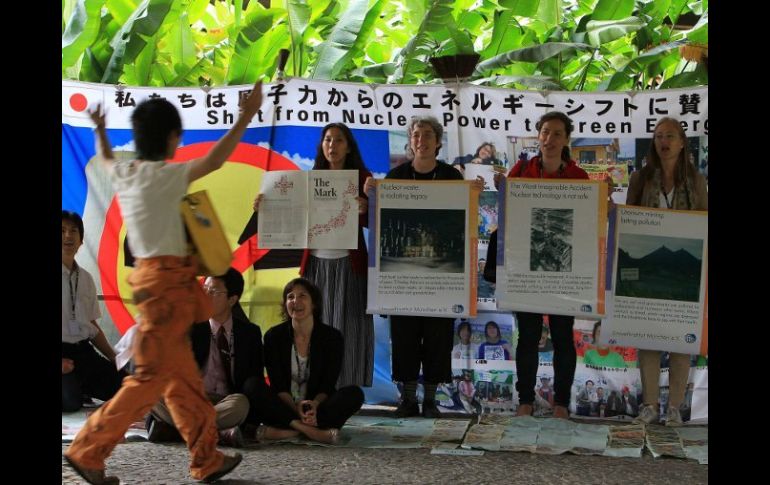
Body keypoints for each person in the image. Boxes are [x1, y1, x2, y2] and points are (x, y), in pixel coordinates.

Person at [64, 80, 264, 485]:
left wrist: (101, 128)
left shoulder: (127, 172)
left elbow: (104, 157)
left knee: (182, 382)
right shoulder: (169, 176)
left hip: (155, 287)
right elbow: (216, 159)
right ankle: (87, 450)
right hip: (170, 288)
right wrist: (246, 115)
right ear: (173, 137)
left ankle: (206, 458)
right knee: (148, 381)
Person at [254, 122, 373, 388]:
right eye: (328, 140)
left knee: (349, 326)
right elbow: (291, 216)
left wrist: (367, 208)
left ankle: (346, 387)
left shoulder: (362, 178)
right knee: (314, 324)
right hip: (316, 265)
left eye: (339, 140)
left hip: (349, 265)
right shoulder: (309, 179)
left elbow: (376, 222)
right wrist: (266, 207)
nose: (333, 145)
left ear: (349, 146)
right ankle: (315, 387)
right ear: (322, 145)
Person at [363, 116, 465, 419]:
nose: (421, 140)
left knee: (437, 338)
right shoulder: (395, 178)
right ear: (410, 141)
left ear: (438, 142)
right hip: (403, 274)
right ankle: (407, 400)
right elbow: (382, 224)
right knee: (405, 338)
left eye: (428, 135)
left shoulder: (451, 178)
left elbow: (460, 223)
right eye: (416, 135)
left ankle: (431, 400)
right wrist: (372, 196)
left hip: (442, 274)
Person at [495, 111, 590, 420]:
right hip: (527, 267)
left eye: (557, 134)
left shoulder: (579, 178)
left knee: (563, 336)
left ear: (566, 140)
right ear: (538, 135)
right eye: (545, 132)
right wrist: (502, 190)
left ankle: (561, 403)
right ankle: (525, 400)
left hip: (565, 269)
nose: (549, 139)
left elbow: (586, 225)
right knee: (528, 335)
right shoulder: (521, 170)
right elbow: (508, 219)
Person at [627, 116, 707, 427]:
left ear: (683, 142)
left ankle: (674, 407)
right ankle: (649, 406)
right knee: (647, 338)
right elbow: (628, 220)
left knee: (680, 340)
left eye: (671, 135)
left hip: (684, 268)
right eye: (659, 135)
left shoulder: (696, 180)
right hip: (647, 268)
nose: (664, 141)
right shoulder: (641, 178)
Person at [145, 268, 265, 449]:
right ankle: (217, 433)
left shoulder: (249, 333)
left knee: (241, 404)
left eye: (213, 292)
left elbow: (254, 377)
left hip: (224, 402)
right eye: (204, 289)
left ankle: (178, 430)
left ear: (232, 299)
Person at [247, 278, 364, 444]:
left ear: (314, 303)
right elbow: (278, 385)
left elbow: (327, 383)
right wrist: (296, 410)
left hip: (316, 407)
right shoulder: (273, 337)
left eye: (302, 296)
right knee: (252, 385)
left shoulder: (332, 337)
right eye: (290, 297)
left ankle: (286, 432)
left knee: (355, 394)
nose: (296, 301)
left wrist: (314, 405)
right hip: (284, 406)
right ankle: (308, 431)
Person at [62, 211, 125, 412]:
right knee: (70, 403)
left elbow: (92, 325)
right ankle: (76, 388)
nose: (68, 236)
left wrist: (114, 357)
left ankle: (81, 386)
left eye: (73, 231)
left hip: (83, 351)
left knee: (124, 389)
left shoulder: (86, 279)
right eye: (62, 231)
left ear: (81, 241)